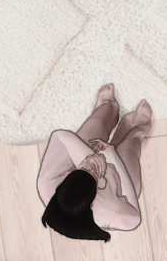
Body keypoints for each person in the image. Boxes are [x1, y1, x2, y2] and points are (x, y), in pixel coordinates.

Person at [38, 85, 153, 241]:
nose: (89, 167)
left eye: (81, 171)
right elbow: (134, 217)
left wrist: (89, 159)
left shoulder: (47, 184)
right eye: (92, 173)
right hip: (122, 187)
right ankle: (136, 128)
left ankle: (107, 108)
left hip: (84, 158)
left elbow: (60, 136)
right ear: (92, 203)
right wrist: (113, 158)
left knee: (93, 128)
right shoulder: (112, 211)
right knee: (128, 149)